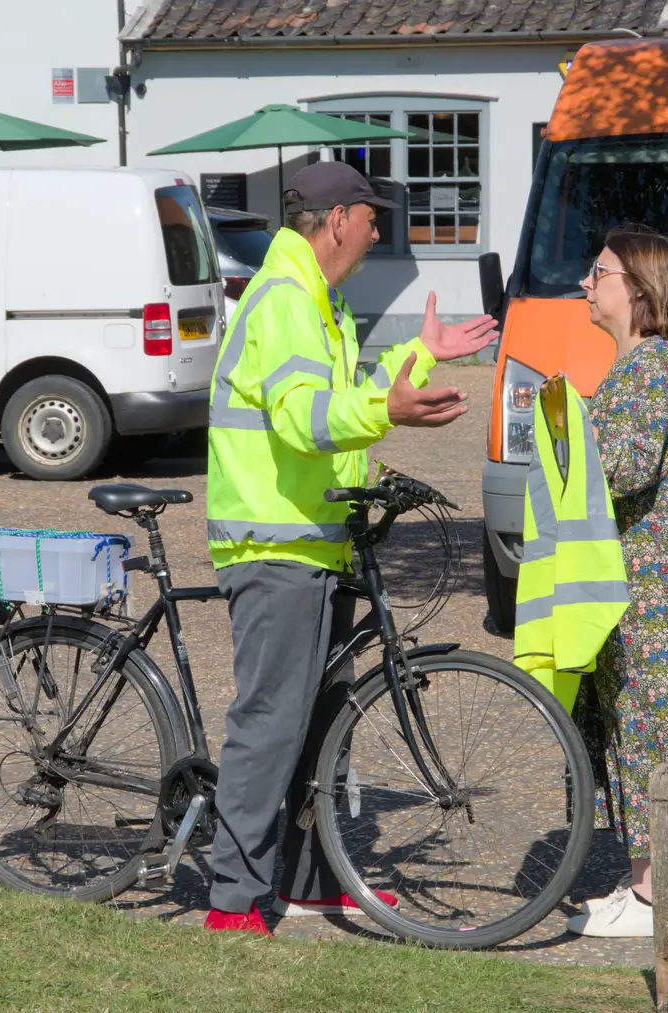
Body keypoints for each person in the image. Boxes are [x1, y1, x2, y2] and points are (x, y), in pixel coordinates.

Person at [202, 162, 498, 935]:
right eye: (373, 217)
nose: (378, 231)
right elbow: (305, 419)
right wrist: (390, 408)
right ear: (337, 220)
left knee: (324, 720)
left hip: (316, 539)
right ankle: (233, 901)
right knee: (270, 722)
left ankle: (306, 877)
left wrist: (417, 362)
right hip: (276, 545)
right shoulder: (287, 300)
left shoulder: (318, 302)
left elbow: (346, 396)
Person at [565, 224, 668, 938]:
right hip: (633, 572)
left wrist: (565, 438)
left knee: (661, 726)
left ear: (636, 286)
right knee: (629, 721)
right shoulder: (634, 366)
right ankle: (641, 884)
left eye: (597, 273)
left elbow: (625, 468)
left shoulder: (653, 365)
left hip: (654, 578)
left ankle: (662, 894)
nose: (584, 285)